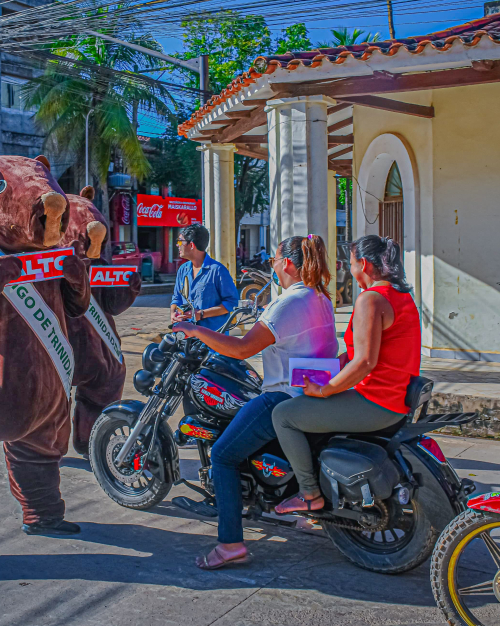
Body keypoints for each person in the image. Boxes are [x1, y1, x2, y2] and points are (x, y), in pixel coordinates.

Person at [172, 235, 338, 570]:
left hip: (283, 396)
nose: (272, 266)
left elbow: (241, 349)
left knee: (223, 455)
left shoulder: (288, 302)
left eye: (274, 260)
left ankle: (230, 544)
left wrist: (195, 330)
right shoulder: (319, 296)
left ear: (287, 264)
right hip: (313, 391)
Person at [272, 234, 421, 514]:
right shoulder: (401, 296)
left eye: (351, 264)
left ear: (363, 264)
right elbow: (360, 355)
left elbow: (364, 362)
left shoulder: (371, 299)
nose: (350, 270)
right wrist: (328, 371)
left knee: (283, 415)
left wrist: (323, 390)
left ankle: (309, 494)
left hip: (376, 402)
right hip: (394, 398)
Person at [170, 224, 239, 330]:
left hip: (213, 336)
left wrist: (202, 314)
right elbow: (176, 298)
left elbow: (232, 303)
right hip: (186, 333)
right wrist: (173, 313)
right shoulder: (183, 270)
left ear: (191, 245)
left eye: (180, 241)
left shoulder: (217, 270)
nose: (177, 245)